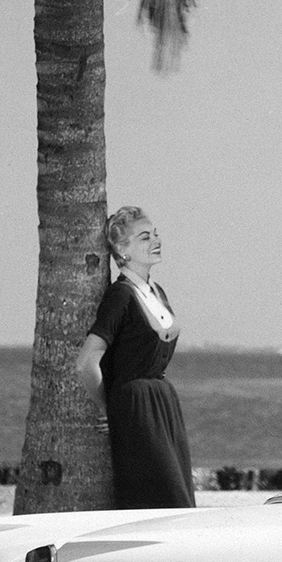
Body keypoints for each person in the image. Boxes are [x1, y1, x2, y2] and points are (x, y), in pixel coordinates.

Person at [73, 206, 195, 509]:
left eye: (155, 234)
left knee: (177, 495)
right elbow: (86, 362)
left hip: (163, 403)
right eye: (144, 237)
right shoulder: (121, 295)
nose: (156, 240)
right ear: (122, 250)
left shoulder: (157, 291)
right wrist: (110, 408)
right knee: (163, 498)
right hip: (135, 408)